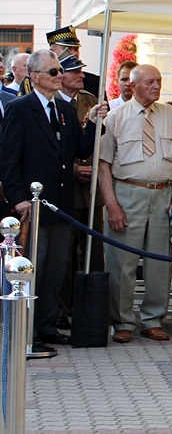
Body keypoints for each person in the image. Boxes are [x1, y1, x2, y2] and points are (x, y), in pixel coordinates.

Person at [0, 49, 106, 353]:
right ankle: (28, 329)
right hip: (34, 205)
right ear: (35, 77)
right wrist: (19, 199)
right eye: (54, 72)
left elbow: (79, 147)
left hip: (60, 204)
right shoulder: (20, 108)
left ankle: (46, 325)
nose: (60, 76)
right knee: (36, 267)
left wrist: (95, 123)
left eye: (60, 71)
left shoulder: (64, 109)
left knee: (56, 269)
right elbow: (9, 160)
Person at [98, 64, 172, 343]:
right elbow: (103, 166)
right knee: (122, 262)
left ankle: (152, 319)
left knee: (160, 261)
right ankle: (122, 322)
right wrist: (112, 205)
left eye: (159, 81)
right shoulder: (115, 117)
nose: (156, 86)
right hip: (127, 193)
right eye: (149, 82)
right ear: (132, 85)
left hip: (162, 194)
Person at [54, 51, 101, 328]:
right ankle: (62, 311)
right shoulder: (55, 104)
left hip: (90, 186)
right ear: (60, 77)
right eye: (74, 71)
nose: (81, 75)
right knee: (66, 253)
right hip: (66, 185)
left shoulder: (89, 101)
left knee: (91, 250)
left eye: (81, 70)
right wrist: (73, 169)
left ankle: (88, 308)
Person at [46, 26, 100, 97]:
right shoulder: (41, 81)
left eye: (76, 49)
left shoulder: (92, 83)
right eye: (68, 49)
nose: (75, 53)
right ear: (52, 52)